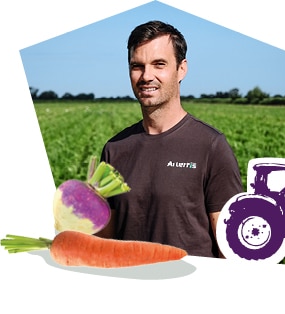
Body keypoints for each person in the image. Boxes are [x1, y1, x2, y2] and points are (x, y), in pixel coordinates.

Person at [97, 20, 243, 258]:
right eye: (137, 66)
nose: (146, 76)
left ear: (181, 69)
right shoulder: (115, 149)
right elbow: (104, 242)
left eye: (159, 64)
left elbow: (229, 249)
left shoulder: (210, 146)